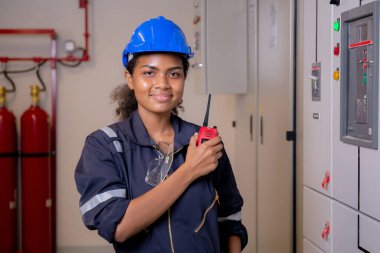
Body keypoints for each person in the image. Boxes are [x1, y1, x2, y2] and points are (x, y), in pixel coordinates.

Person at [74, 16, 247, 253]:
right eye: (149, 73)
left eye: (174, 74)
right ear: (130, 79)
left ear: (184, 79)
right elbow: (119, 228)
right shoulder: (105, 145)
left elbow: (230, 220)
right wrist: (189, 170)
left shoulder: (204, 142)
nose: (162, 83)